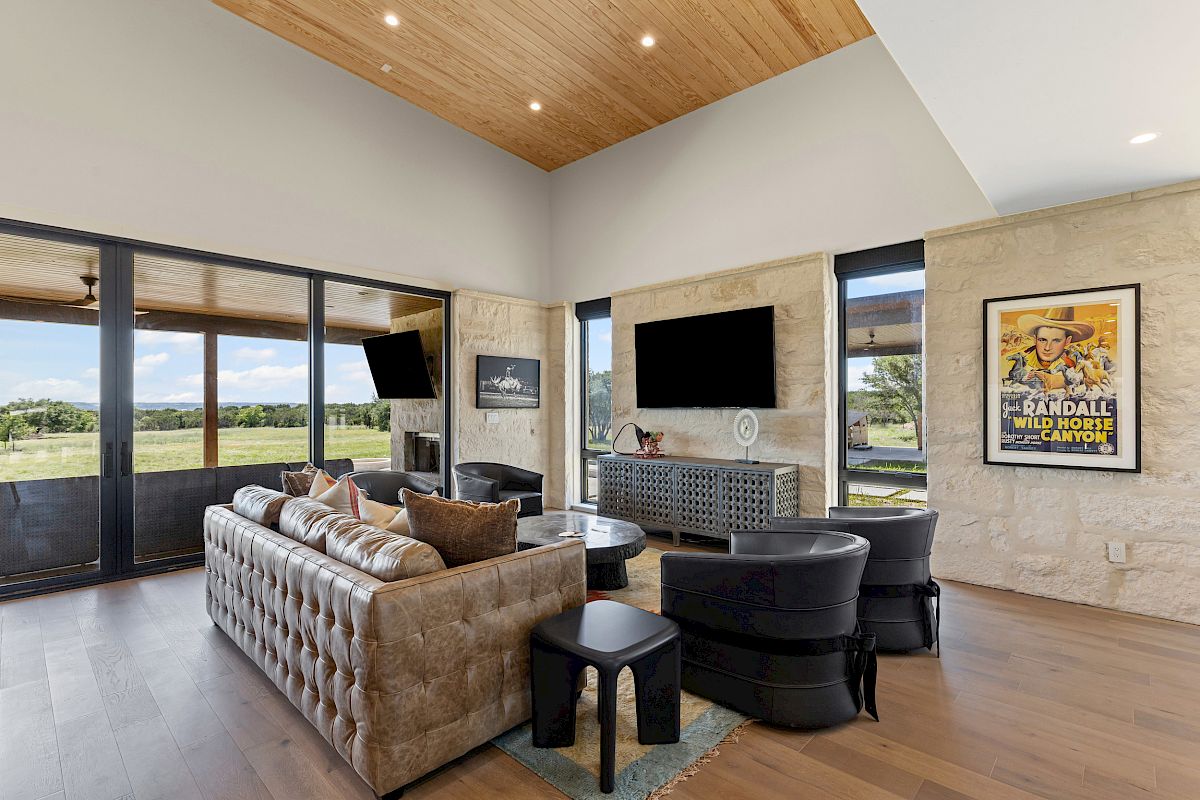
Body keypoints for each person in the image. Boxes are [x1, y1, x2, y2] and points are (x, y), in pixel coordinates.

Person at [1013, 306, 1095, 392]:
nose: (1047, 348)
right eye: (1042, 340)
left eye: (1056, 341)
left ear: (1067, 341)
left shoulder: (1070, 363)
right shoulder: (1024, 360)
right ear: (1035, 339)